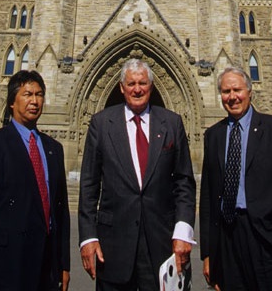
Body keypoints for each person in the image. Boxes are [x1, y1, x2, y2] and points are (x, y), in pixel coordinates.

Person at [78, 58, 196, 291]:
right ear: (121, 87)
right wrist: (88, 237)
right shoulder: (101, 124)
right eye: (131, 83)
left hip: (162, 245)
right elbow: (89, 185)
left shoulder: (172, 122)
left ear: (152, 86)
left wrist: (183, 232)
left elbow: (184, 181)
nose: (137, 88)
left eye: (142, 83)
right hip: (114, 248)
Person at [0, 70, 70, 291]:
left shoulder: (54, 149)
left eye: (39, 95)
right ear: (11, 102)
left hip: (45, 267)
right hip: (5, 266)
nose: (34, 101)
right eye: (27, 94)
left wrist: (63, 265)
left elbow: (60, 213)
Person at [200, 66, 272, 291]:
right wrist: (209, 253)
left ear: (249, 92)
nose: (232, 97)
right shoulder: (213, 135)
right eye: (225, 91)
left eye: (237, 90)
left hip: (269, 241)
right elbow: (208, 199)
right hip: (228, 241)